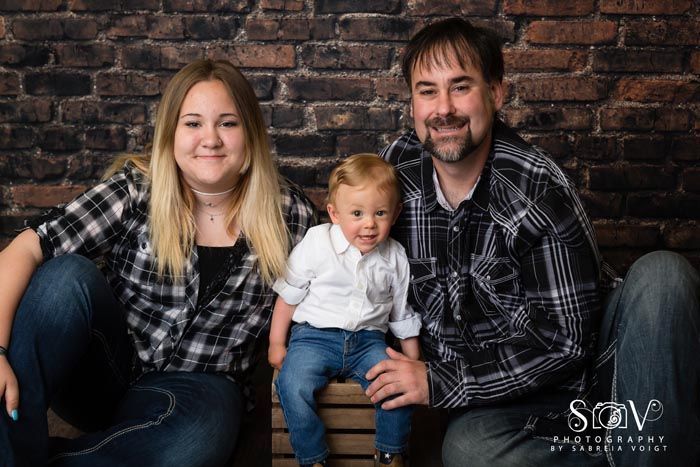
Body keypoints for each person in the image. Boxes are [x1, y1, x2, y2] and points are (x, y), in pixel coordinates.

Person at [364, 17, 700, 467]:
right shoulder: (393, 173)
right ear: (412, 104)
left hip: (587, 386)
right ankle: (640, 447)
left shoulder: (537, 190)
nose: (443, 108)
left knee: (665, 274)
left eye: (461, 87)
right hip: (501, 412)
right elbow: (350, 258)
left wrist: (438, 381)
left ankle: (638, 442)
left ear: (496, 94)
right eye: (427, 91)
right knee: (468, 451)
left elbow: (565, 346)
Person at [0, 59, 315, 466]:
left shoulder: (292, 216)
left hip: (198, 392)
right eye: (193, 123)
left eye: (228, 123)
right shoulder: (135, 192)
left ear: (251, 135)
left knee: (203, 434)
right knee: (67, 277)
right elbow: (25, 248)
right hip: (101, 375)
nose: (211, 139)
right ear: (170, 135)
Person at [269, 154, 421, 467]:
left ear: (396, 214)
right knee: (291, 383)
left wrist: (412, 360)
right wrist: (276, 343)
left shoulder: (395, 256)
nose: (369, 224)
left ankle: (390, 452)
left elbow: (401, 314)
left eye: (380, 213)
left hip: (368, 343)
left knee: (397, 387)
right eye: (357, 213)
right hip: (314, 338)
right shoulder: (316, 242)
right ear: (335, 214)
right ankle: (312, 457)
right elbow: (289, 295)